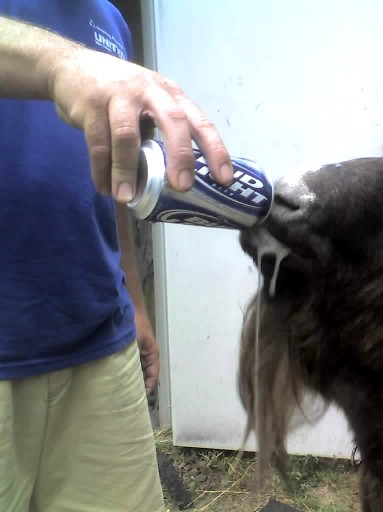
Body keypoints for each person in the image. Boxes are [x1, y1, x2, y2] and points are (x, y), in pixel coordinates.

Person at [0, 1, 232, 510]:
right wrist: (57, 63)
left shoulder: (108, 19)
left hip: (100, 343)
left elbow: (115, 181)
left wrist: (135, 300)